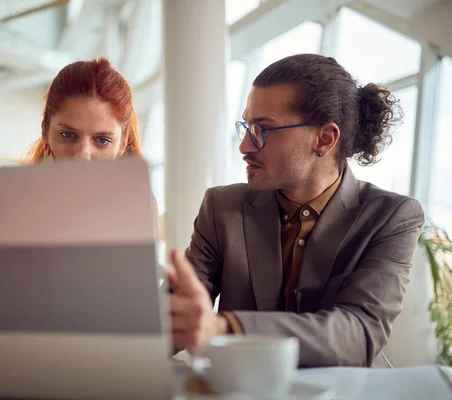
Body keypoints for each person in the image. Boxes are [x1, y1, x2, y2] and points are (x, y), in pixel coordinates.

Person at [166, 54, 424, 368]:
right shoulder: (222, 208)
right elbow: (172, 321)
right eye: (246, 127)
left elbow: (359, 332)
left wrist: (225, 328)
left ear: (324, 139)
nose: (245, 146)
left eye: (262, 129)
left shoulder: (391, 216)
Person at [24, 57, 142, 163]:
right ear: (45, 130)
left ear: (122, 142)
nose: (82, 157)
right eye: (67, 134)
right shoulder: (14, 187)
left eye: (102, 140)